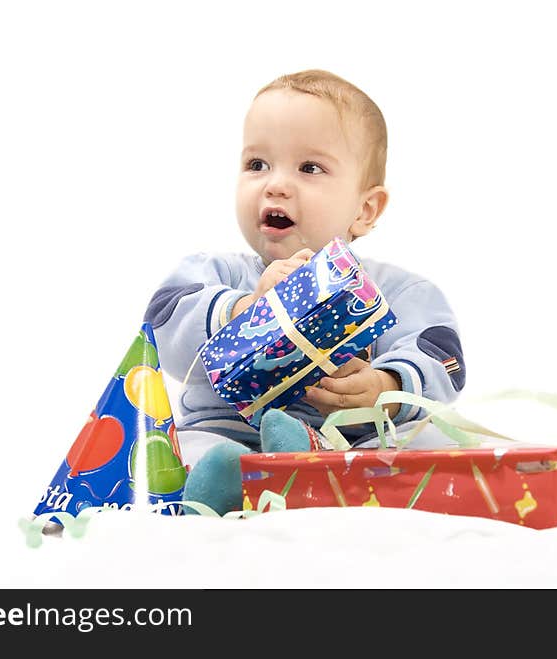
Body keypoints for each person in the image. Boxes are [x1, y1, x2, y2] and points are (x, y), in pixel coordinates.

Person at [144, 69, 466, 514]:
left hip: (349, 448)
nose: (274, 184)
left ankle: (310, 467)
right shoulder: (216, 273)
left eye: (309, 168)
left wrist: (386, 386)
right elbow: (161, 325)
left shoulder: (399, 292)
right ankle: (235, 488)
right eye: (257, 165)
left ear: (365, 209)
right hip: (226, 440)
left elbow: (443, 359)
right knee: (185, 454)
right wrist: (246, 308)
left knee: (427, 445)